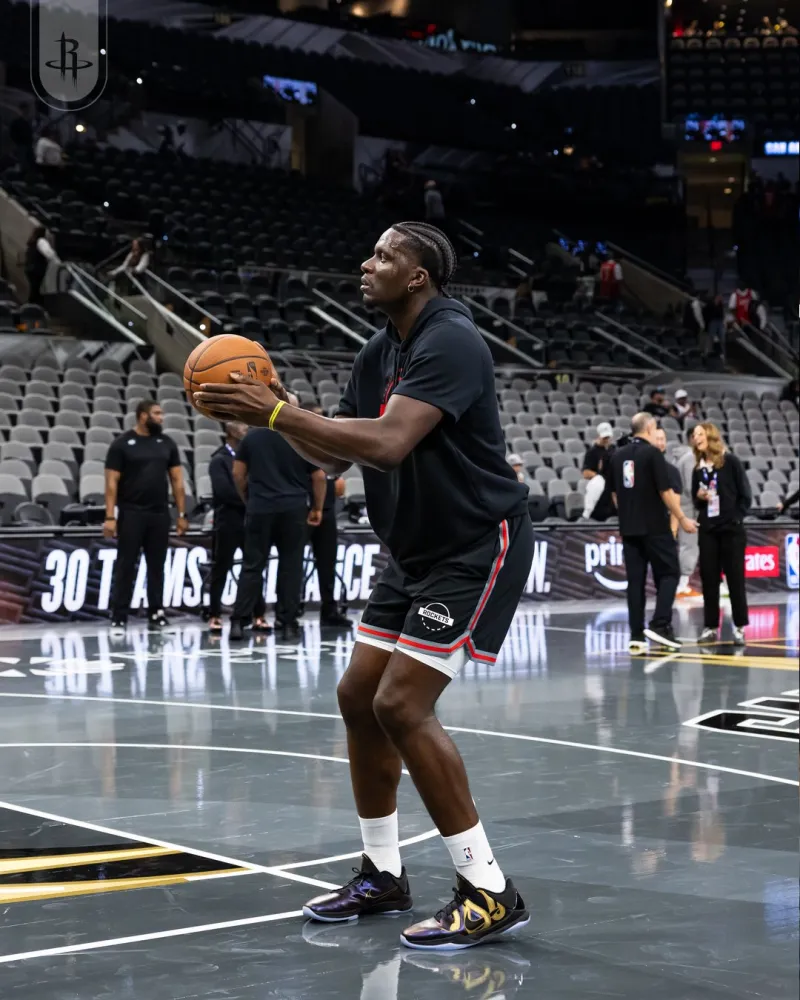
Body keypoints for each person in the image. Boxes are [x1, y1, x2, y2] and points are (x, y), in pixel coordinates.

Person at [195, 221, 533, 950]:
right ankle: (382, 872)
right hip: (412, 551)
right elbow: (337, 452)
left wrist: (278, 412)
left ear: (419, 276)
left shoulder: (452, 340)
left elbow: (388, 441)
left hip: (475, 546)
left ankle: (489, 888)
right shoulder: (380, 350)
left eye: (384, 255)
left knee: (401, 704)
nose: (366, 262)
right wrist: (279, 407)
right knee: (358, 697)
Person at [228, 422, 327, 641]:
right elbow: (319, 476)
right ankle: (288, 623)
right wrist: (317, 508)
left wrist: (249, 499)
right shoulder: (300, 434)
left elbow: (237, 473)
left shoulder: (251, 437)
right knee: (291, 567)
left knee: (252, 566)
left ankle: (239, 622)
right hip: (293, 509)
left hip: (260, 507)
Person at [609, 413, 697, 653]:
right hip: (655, 527)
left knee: (635, 582)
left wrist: (628, 512)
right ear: (649, 428)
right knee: (670, 572)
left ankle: (636, 635)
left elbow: (615, 494)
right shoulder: (652, 454)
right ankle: (660, 624)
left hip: (629, 529)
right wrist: (681, 518)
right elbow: (665, 491)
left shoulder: (617, 456)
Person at [104, 400, 188, 632]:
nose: (162, 418)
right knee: (126, 565)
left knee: (157, 565)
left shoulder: (167, 443)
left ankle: (156, 612)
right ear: (143, 416)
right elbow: (111, 483)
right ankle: (119, 615)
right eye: (157, 413)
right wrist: (110, 516)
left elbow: (178, 481)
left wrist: (181, 514)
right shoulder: (122, 444)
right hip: (131, 513)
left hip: (159, 513)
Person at [691, 423, 751, 646]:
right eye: (694, 435)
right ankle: (709, 627)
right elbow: (695, 500)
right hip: (708, 531)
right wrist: (699, 497)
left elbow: (745, 496)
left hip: (731, 531)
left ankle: (739, 627)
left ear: (710, 435)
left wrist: (735, 519)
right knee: (709, 581)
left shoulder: (731, 461)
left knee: (735, 580)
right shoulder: (698, 469)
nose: (696, 437)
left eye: (700, 433)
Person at [207, 421, 266, 635]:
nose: (245, 427)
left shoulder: (252, 455)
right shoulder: (219, 459)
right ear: (229, 430)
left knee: (254, 567)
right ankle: (214, 614)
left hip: (250, 519)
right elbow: (224, 492)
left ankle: (259, 614)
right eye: (240, 424)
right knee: (221, 567)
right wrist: (252, 499)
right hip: (228, 521)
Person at [301, 403, 351, 628]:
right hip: (302, 509)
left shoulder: (326, 443)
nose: (320, 419)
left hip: (327, 509)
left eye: (322, 416)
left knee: (327, 563)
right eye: (316, 416)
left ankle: (329, 610)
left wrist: (337, 479)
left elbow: (333, 473)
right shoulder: (297, 440)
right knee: (292, 563)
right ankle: (291, 609)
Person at [676, 424, 701, 597]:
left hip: (690, 507)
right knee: (689, 545)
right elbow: (693, 488)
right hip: (689, 508)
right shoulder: (690, 458)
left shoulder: (692, 457)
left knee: (691, 545)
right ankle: (682, 585)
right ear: (692, 438)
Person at [582, 421, 616, 519]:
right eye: (604, 437)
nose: (606, 440)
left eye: (608, 437)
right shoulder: (592, 452)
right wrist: (600, 476)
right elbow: (585, 473)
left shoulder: (614, 449)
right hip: (601, 489)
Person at [24, 225, 59, 305]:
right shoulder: (41, 241)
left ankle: (32, 304)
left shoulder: (32, 241)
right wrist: (57, 262)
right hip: (37, 269)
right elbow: (49, 253)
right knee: (36, 289)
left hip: (29, 268)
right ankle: (32, 306)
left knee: (35, 288)